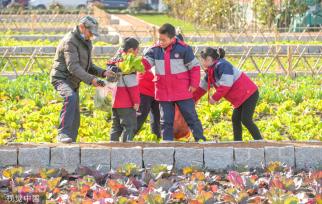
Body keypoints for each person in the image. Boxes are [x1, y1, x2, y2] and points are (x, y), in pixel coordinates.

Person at [50, 16, 110, 143]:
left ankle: (71, 142)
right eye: (90, 32)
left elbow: (89, 66)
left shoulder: (86, 42)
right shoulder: (70, 41)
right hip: (62, 78)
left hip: (73, 81)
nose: (91, 36)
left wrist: (104, 73)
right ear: (82, 27)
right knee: (70, 97)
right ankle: (62, 134)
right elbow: (73, 67)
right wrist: (92, 80)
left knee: (75, 116)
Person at [142, 23, 206, 142]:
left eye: (164, 40)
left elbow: (194, 67)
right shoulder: (155, 50)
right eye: (159, 39)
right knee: (165, 120)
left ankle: (201, 140)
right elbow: (146, 64)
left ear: (172, 38)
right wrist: (136, 64)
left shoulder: (184, 49)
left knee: (191, 117)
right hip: (163, 91)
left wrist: (194, 84)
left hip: (182, 90)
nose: (161, 42)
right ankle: (167, 143)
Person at [193, 47, 263, 141]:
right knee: (235, 119)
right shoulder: (211, 71)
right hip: (241, 97)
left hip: (249, 94)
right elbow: (202, 88)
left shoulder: (223, 66)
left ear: (209, 59)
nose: (202, 63)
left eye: (202, 60)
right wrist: (192, 100)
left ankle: (259, 141)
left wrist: (214, 98)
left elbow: (226, 84)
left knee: (246, 119)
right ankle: (237, 142)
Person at [107, 37, 143, 142]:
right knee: (129, 126)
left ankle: (112, 148)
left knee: (116, 127)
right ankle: (126, 150)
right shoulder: (129, 63)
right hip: (126, 102)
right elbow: (132, 85)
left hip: (115, 101)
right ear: (131, 50)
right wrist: (136, 101)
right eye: (137, 50)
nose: (138, 52)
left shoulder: (114, 60)